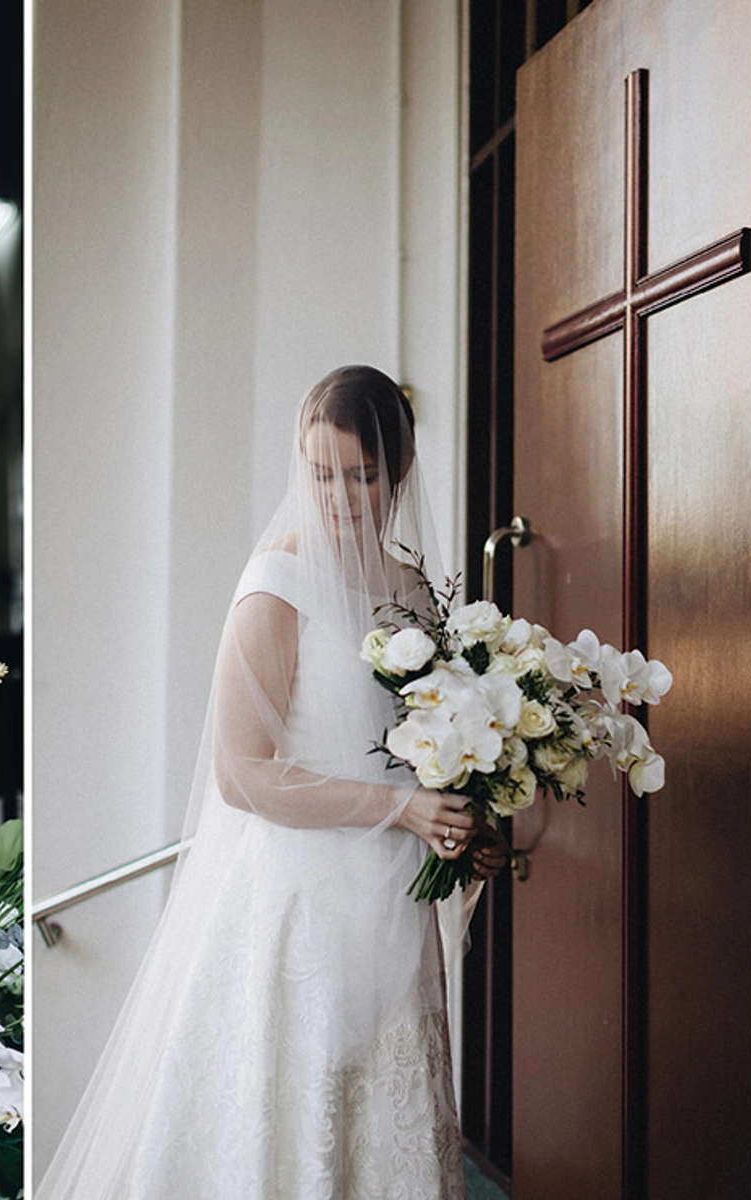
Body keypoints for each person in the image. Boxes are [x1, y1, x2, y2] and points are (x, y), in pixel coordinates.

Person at [36, 365, 506, 1199]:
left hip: (393, 908)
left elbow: (436, 745)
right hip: (299, 910)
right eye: (320, 473)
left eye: (360, 476)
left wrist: (464, 826)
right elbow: (242, 773)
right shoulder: (275, 585)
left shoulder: (415, 594)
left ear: (397, 471)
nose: (337, 497)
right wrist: (401, 808)